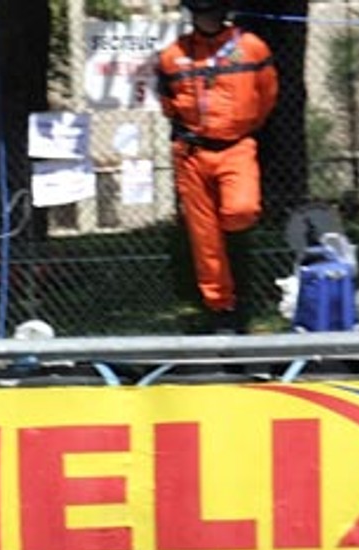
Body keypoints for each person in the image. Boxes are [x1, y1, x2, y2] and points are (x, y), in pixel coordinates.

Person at [156, 0, 278, 333]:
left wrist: (242, 126)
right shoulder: (172, 56)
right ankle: (221, 309)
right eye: (199, 11)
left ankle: (242, 284)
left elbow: (267, 95)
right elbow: (168, 104)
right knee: (204, 239)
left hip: (235, 146)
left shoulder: (251, 48)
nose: (205, 16)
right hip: (191, 154)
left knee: (241, 209)